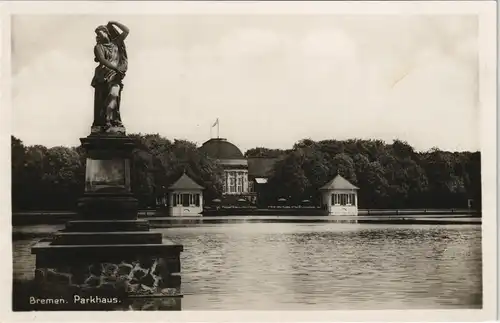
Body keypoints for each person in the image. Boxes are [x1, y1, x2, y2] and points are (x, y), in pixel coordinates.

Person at [91, 21, 129, 132]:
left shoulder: (116, 43)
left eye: (99, 33)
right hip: (102, 76)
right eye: (97, 34)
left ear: (106, 32)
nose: (97, 36)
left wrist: (113, 22)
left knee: (114, 95)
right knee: (102, 100)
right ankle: (106, 122)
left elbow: (127, 31)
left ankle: (110, 120)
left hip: (114, 77)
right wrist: (116, 69)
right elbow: (102, 60)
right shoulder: (98, 47)